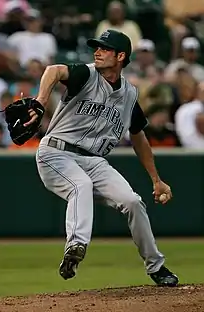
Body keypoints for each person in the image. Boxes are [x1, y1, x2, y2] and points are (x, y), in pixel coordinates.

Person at [25, 29, 179, 286]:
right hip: (56, 152)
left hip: (95, 160)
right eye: (96, 47)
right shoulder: (86, 74)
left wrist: (156, 180)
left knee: (132, 202)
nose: (97, 51)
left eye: (104, 48)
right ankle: (75, 246)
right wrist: (41, 102)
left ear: (121, 56)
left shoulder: (129, 95)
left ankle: (157, 266)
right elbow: (53, 70)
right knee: (80, 185)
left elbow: (139, 136)